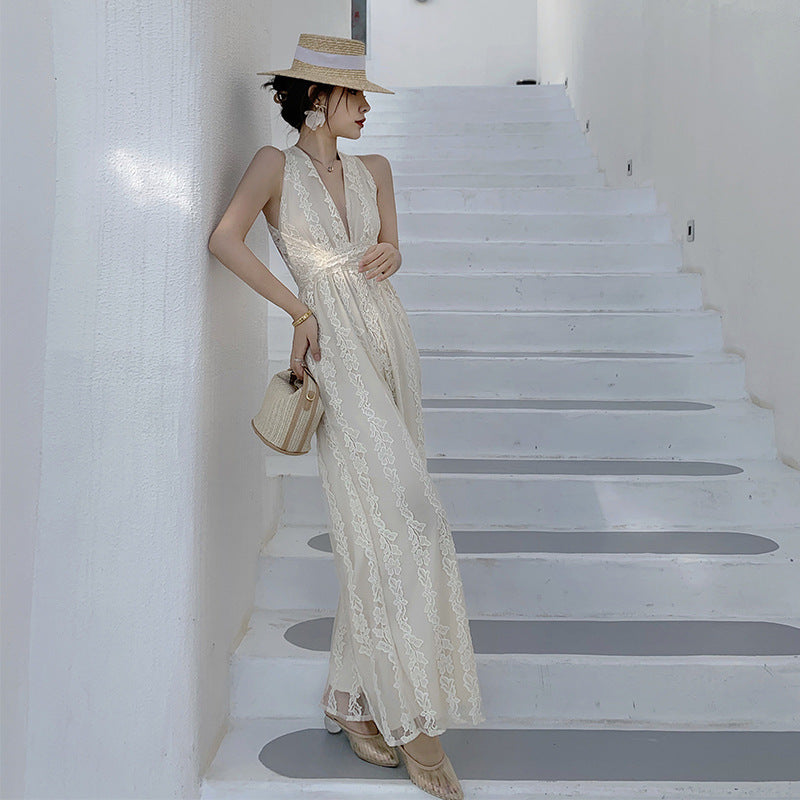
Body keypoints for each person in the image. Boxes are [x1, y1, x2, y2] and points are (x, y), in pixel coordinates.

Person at [208, 33, 485, 800]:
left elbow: (389, 246)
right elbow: (224, 240)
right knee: (406, 518)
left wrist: (393, 252)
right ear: (318, 102)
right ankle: (417, 729)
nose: (366, 109)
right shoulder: (274, 167)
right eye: (354, 97)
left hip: (390, 339)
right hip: (333, 347)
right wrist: (298, 310)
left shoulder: (376, 170)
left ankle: (346, 697)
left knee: (383, 518)